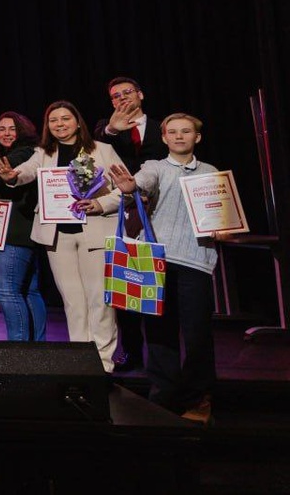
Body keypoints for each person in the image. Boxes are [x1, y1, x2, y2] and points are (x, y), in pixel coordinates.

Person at [0, 100, 124, 371]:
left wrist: (100, 204)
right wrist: (10, 175)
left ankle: (103, 363)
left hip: (95, 233)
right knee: (72, 301)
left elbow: (124, 190)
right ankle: (82, 359)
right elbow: (25, 172)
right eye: (54, 120)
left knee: (99, 300)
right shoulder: (44, 153)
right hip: (58, 237)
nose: (60, 124)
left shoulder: (102, 150)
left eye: (65, 118)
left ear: (77, 122)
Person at [106, 113, 219, 425]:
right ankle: (163, 398)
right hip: (157, 261)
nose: (179, 136)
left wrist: (224, 226)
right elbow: (144, 181)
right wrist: (131, 186)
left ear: (197, 137)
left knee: (197, 334)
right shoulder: (154, 166)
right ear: (165, 137)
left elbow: (222, 213)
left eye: (186, 131)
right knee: (159, 333)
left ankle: (198, 398)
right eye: (173, 132)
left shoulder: (210, 173)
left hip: (196, 261)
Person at [94, 76, 164, 372]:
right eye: (115, 96)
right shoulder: (106, 130)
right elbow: (96, 145)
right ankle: (132, 352)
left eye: (127, 92)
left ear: (141, 94)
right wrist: (112, 129)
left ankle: (162, 357)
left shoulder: (162, 127)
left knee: (157, 280)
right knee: (128, 278)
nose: (122, 98)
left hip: (160, 210)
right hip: (123, 212)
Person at [0, 112, 46, 342]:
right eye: (2, 129)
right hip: (17, 232)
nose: (6, 133)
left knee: (6, 289)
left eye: (12, 128)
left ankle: (18, 348)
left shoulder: (24, 153)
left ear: (23, 130)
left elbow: (11, 174)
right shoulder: (8, 156)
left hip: (14, 233)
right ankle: (36, 346)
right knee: (29, 290)